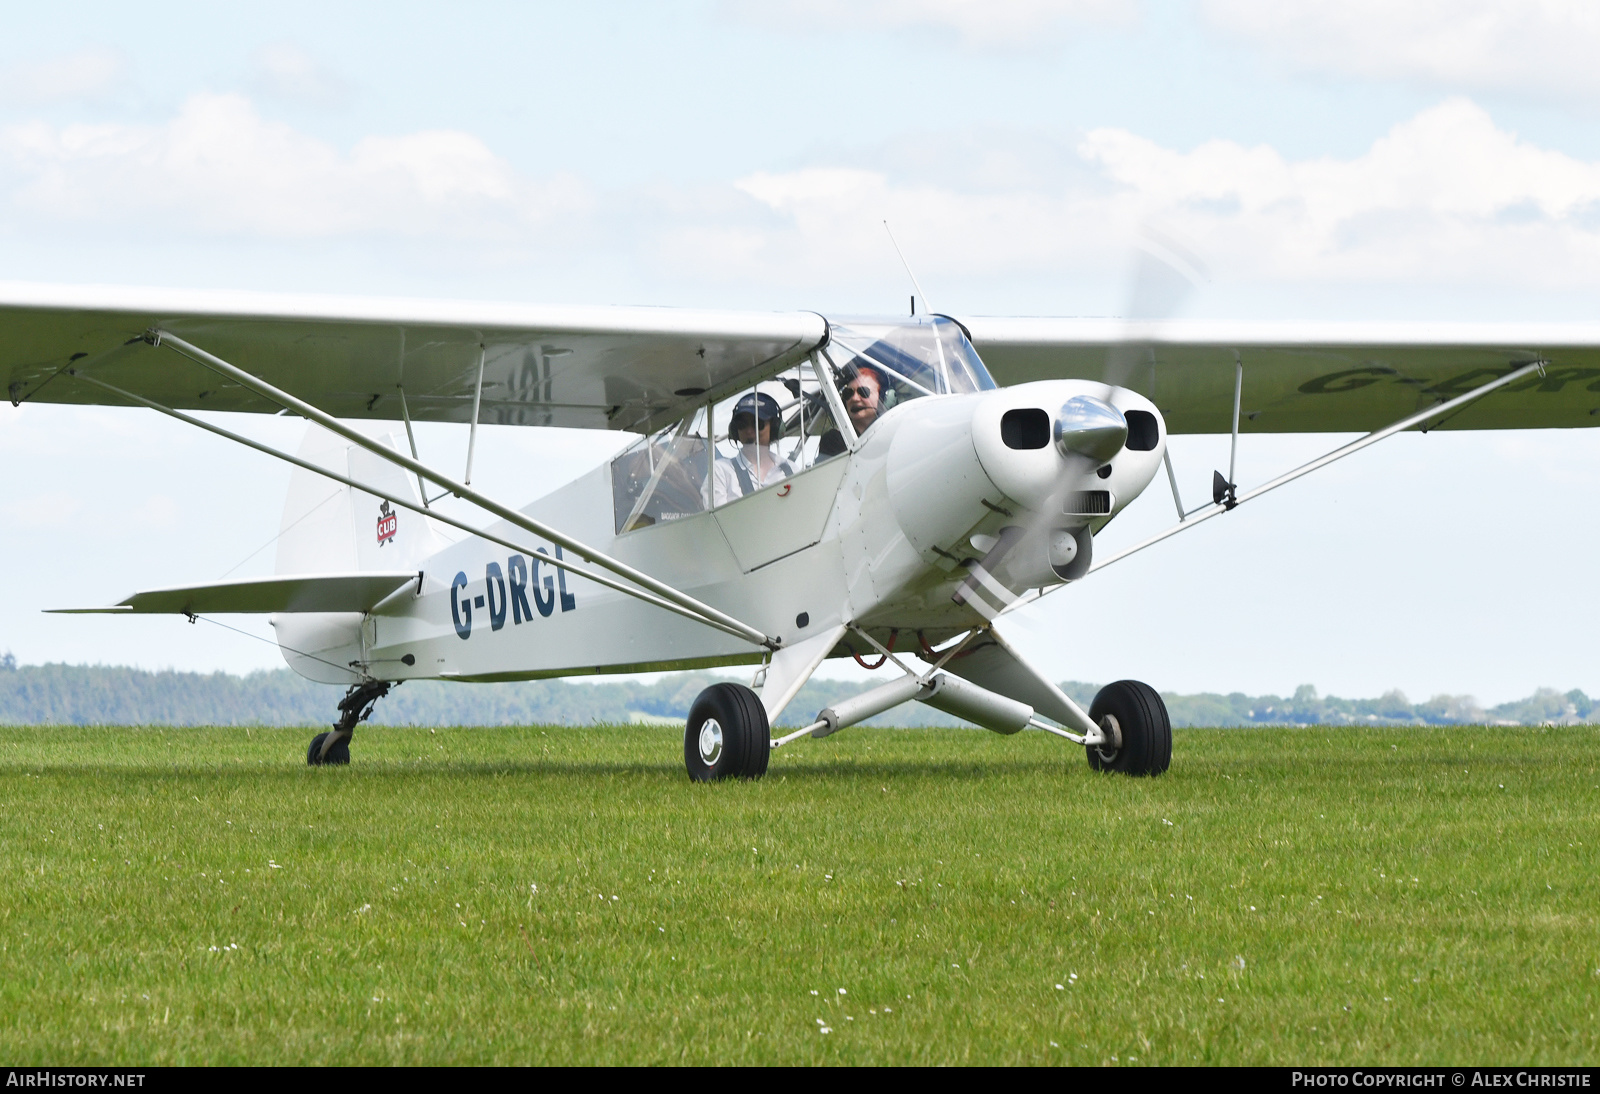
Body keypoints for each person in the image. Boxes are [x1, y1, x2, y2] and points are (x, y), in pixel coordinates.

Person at [713, 392, 794, 505]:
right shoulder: (720, 472)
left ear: (775, 427)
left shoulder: (792, 469)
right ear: (735, 430)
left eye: (758, 424)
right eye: (742, 424)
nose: (749, 431)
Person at [817, 361, 886, 459]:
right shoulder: (834, 440)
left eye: (863, 391)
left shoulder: (893, 432)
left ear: (882, 398)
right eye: (848, 393)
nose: (854, 398)